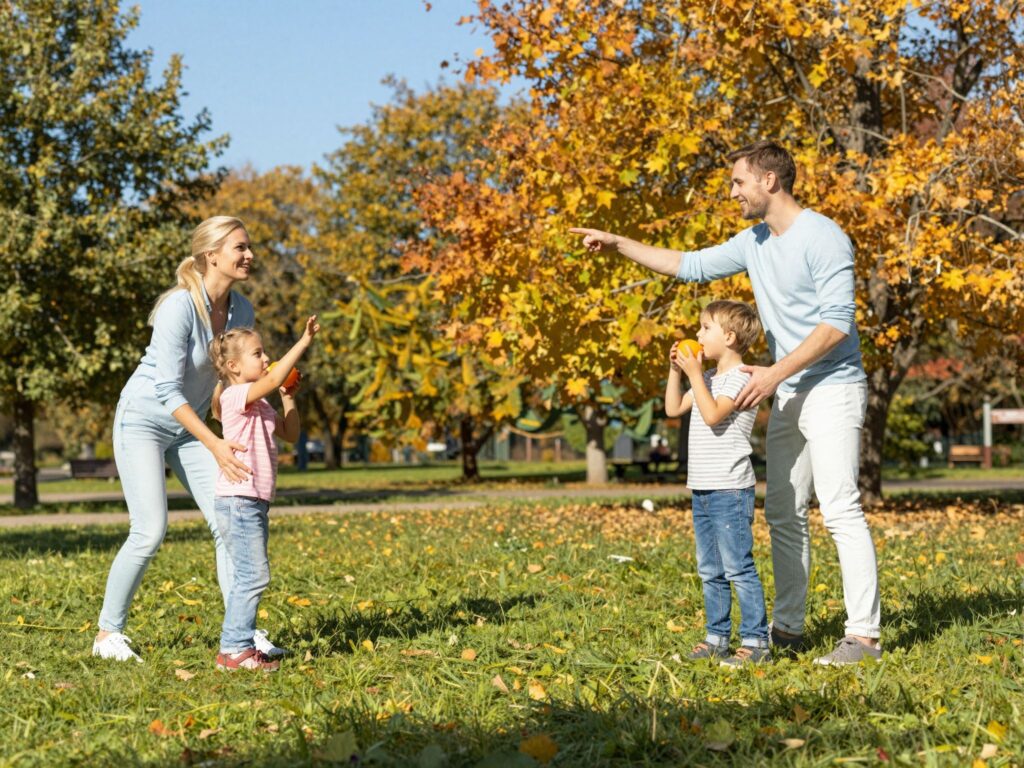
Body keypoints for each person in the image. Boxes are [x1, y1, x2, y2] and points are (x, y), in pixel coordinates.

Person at [572, 140, 881, 666]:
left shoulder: (823, 236)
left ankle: (864, 637)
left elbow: (836, 324)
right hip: (786, 387)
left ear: (769, 181)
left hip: (832, 385)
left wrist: (775, 373)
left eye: (739, 182)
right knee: (783, 512)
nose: (732, 192)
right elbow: (688, 265)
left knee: (839, 506)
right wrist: (618, 243)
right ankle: (787, 627)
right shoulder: (754, 241)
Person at [92, 216, 285, 663]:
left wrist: (227, 418)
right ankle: (107, 634)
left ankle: (240, 634)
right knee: (149, 530)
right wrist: (215, 444)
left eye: (249, 246)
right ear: (211, 255)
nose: (249, 255)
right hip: (142, 420)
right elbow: (166, 389)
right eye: (240, 247)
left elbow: (225, 377)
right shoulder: (179, 307)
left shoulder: (242, 311)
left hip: (189, 426)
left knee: (228, 522)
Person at [208, 316, 319, 671]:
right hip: (238, 501)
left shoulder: (261, 404)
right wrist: (303, 342)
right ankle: (234, 649)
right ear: (233, 366)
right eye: (258, 353)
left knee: (251, 575)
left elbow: (290, 433)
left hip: (253, 501)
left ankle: (238, 645)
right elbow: (270, 379)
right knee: (253, 576)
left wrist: (288, 398)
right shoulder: (234, 396)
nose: (267, 358)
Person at [665, 300, 769, 666]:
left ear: (729, 337)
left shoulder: (741, 378)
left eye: (705, 328)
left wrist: (695, 374)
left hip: (730, 488)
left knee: (738, 566)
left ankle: (756, 642)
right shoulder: (707, 378)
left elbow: (712, 416)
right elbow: (673, 409)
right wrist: (676, 372)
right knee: (710, 568)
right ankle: (717, 637)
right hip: (703, 487)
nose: (697, 334)